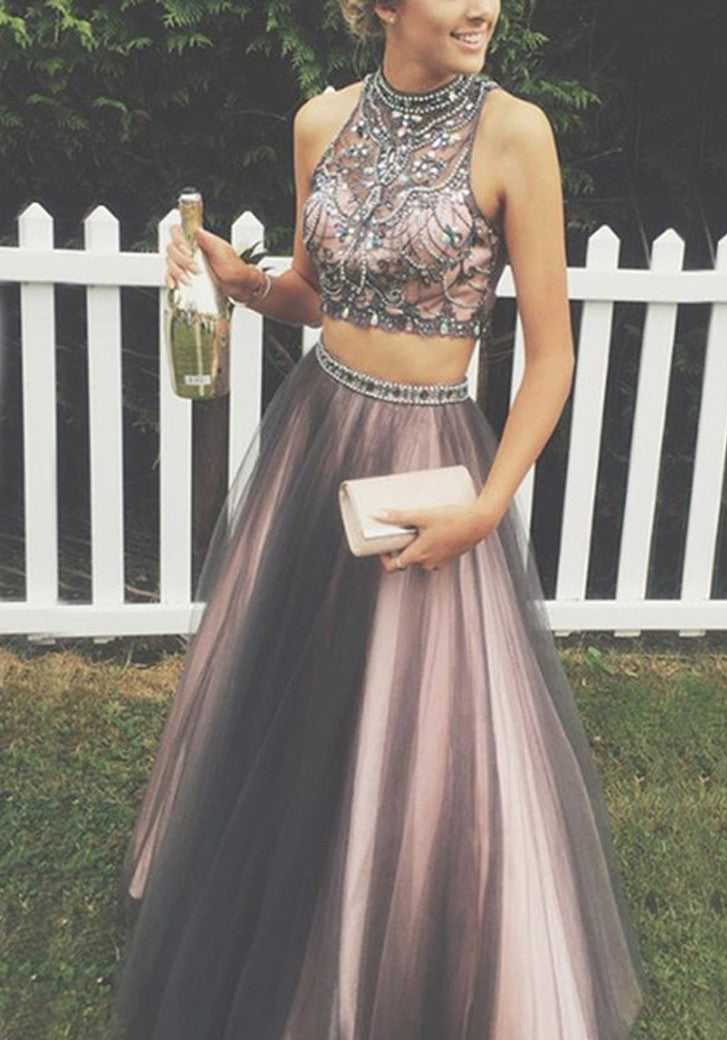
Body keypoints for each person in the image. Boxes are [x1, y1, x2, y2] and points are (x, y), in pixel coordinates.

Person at [109, 1, 650, 1037]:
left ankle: (397, 946)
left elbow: (552, 356)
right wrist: (239, 278)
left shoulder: (515, 133)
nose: (482, 7)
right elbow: (315, 296)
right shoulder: (320, 122)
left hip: (430, 461)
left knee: (422, 721)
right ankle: (282, 908)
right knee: (294, 689)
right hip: (318, 437)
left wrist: (486, 507)